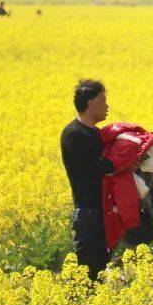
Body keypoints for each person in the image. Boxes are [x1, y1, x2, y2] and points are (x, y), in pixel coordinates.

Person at [60, 79, 116, 280]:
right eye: (103, 100)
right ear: (91, 104)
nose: (107, 106)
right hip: (88, 213)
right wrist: (122, 162)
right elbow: (95, 168)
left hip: (101, 210)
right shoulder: (75, 134)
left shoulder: (93, 133)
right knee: (86, 271)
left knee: (99, 268)